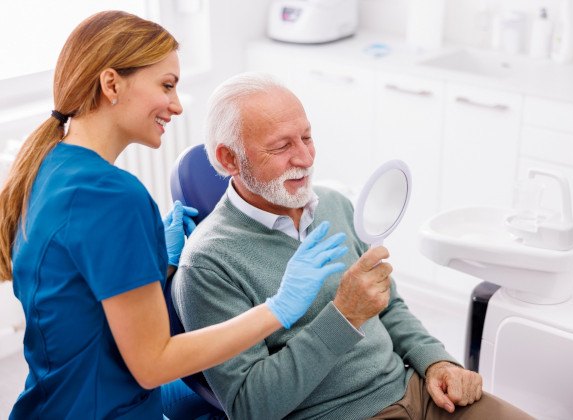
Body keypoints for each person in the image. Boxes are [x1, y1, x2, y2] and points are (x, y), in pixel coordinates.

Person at [0, 12, 350, 419]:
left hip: (53, 400)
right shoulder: (113, 196)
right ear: (111, 83)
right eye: (166, 86)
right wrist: (279, 307)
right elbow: (153, 365)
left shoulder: (51, 165)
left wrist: (158, 266)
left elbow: (86, 301)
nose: (178, 106)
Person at [172, 72, 533, 420]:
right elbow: (251, 407)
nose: (305, 158)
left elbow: (389, 307)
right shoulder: (208, 265)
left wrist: (435, 360)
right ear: (229, 159)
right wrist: (344, 317)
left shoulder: (333, 204)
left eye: (307, 138)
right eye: (282, 146)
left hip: (417, 390)